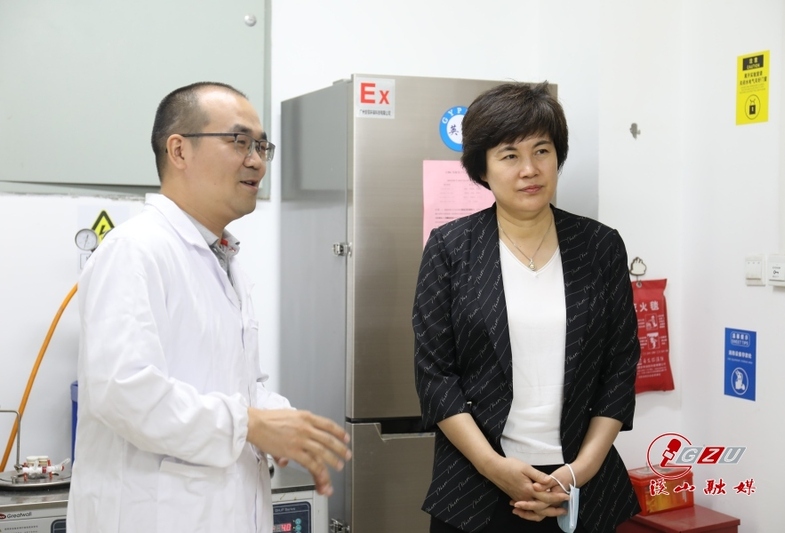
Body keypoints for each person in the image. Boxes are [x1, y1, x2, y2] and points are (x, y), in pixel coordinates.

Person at [67, 82, 351, 533]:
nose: (256, 160)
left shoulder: (223, 259)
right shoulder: (134, 251)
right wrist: (250, 424)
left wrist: (284, 423)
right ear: (179, 150)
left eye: (262, 146)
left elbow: (235, 382)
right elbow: (124, 392)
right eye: (239, 141)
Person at [412, 81, 640, 533]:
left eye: (542, 151)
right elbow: (435, 375)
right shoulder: (451, 248)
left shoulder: (599, 246)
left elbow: (619, 369)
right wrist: (493, 466)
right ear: (482, 167)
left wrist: (577, 472)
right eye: (509, 155)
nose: (530, 170)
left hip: (582, 488)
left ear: (558, 157)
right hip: (474, 489)